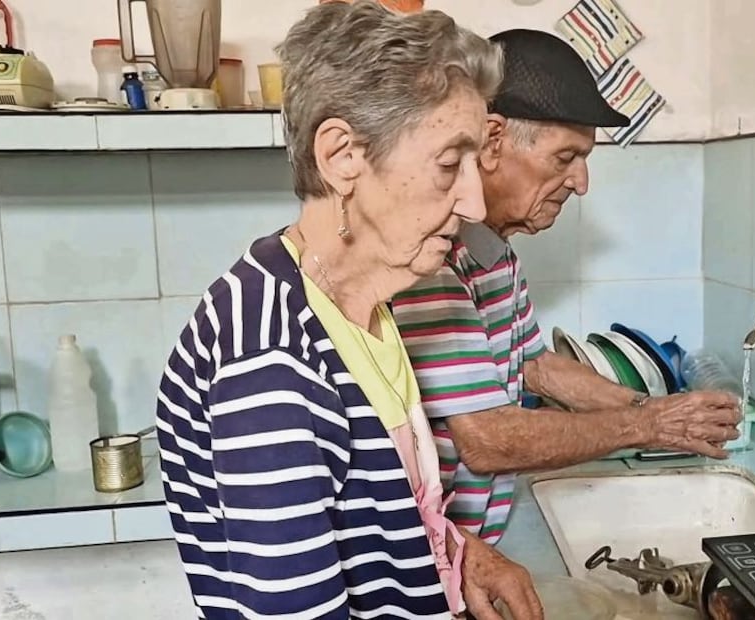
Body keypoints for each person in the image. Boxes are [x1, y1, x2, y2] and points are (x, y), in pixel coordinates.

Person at [154, 3, 542, 619]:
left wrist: (462, 554)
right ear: (341, 157)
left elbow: (379, 508)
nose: (473, 200)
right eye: (450, 163)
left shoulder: (357, 307)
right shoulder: (273, 364)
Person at [390, 28, 743, 546]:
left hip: (473, 546)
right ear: (492, 141)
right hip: (430, 557)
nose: (581, 182)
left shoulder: (494, 251)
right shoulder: (431, 259)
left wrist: (646, 410)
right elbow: (487, 439)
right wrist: (651, 426)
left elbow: (536, 365)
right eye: (565, 158)